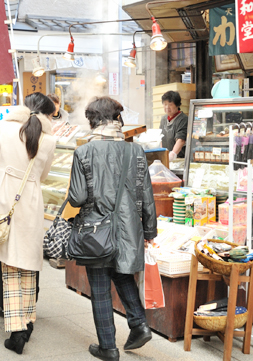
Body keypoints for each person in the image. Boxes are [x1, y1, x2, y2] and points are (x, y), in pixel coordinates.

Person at [67, 97, 157, 361]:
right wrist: (150, 233)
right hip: (129, 228)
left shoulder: (83, 152)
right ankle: (139, 324)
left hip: (95, 230)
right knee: (121, 273)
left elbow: (76, 197)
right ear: (117, 119)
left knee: (100, 287)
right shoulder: (136, 151)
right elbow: (147, 196)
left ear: (92, 121)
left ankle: (108, 347)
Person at [0, 92, 56, 355]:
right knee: (28, 263)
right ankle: (28, 319)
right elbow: (43, 175)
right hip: (31, 202)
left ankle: (17, 332)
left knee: (9, 265)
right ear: (47, 114)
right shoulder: (49, 139)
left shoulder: (4, 128)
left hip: (4, 199)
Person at [159, 90, 188, 161]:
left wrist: (173, 154)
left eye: (170, 104)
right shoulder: (163, 119)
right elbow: (160, 138)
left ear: (177, 105)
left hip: (180, 159)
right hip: (166, 158)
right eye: (165, 104)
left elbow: (181, 140)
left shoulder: (183, 119)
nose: (167, 107)